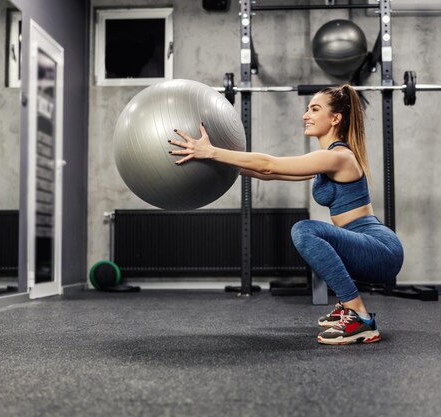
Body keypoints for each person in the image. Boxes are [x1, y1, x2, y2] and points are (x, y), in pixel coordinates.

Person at [169, 85, 404, 345]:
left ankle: (360, 316)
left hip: (382, 249)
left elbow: (270, 165)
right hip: (365, 245)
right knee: (312, 233)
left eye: (315, 109)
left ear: (335, 118)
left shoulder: (339, 157)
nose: (306, 115)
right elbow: (268, 174)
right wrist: (213, 162)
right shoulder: (327, 160)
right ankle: (347, 307)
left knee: (304, 230)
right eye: (307, 109)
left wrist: (212, 151)